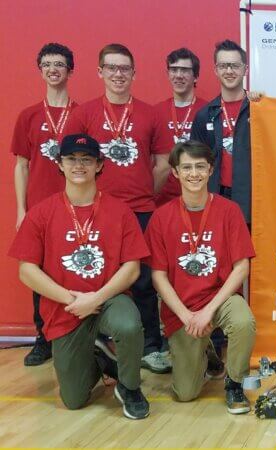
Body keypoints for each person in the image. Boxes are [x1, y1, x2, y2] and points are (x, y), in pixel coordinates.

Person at [9, 133, 151, 419]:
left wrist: (96, 298)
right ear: (59, 164)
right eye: (71, 159)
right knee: (74, 400)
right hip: (66, 305)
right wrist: (72, 298)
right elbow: (27, 270)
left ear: (99, 165)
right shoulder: (42, 213)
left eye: (87, 160)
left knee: (128, 324)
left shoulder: (120, 211)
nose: (79, 165)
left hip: (109, 298)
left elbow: (132, 268)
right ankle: (100, 360)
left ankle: (130, 387)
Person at [64, 43, 173, 374]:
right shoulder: (84, 114)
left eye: (124, 68)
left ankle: (152, 346)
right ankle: (99, 341)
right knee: (98, 274)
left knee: (142, 280)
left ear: (134, 73)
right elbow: (73, 162)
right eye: (111, 68)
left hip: (141, 210)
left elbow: (163, 164)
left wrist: (142, 193)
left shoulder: (150, 113)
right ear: (100, 72)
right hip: (98, 212)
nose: (118, 74)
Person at [146, 140, 256, 414]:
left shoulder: (229, 210)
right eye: (186, 167)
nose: (193, 173)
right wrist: (186, 316)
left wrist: (208, 311)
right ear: (175, 172)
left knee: (243, 321)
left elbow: (241, 267)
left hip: (219, 299)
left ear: (210, 170)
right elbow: (158, 276)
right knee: (185, 394)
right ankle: (206, 353)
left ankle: (234, 383)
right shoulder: (161, 218)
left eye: (199, 167)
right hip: (183, 309)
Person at [11, 42, 77, 366]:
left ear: (70, 70)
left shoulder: (83, 114)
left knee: (78, 266)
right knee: (38, 272)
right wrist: (22, 210)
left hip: (76, 207)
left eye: (60, 64)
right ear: (41, 70)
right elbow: (21, 165)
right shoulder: (28, 116)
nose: (53, 69)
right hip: (39, 209)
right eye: (47, 64)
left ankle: (81, 333)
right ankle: (43, 337)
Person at [190, 39, 251, 223]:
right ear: (216, 70)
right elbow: (196, 162)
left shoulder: (258, 110)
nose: (229, 71)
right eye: (223, 65)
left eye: (235, 65)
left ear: (245, 70)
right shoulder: (204, 115)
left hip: (251, 200)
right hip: (216, 197)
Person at [154, 47, 207, 206]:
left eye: (184, 70)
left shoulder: (208, 111)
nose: (178, 75)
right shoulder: (156, 112)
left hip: (199, 195)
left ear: (195, 76)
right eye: (174, 69)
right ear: (168, 74)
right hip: (163, 200)